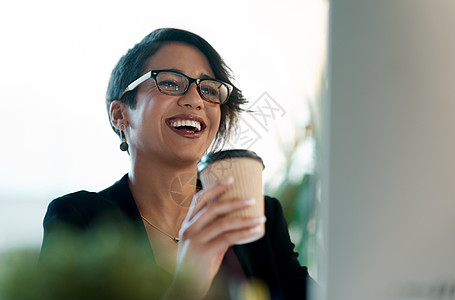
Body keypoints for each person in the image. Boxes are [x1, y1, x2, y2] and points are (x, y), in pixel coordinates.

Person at [40, 28, 312, 299]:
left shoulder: (259, 216)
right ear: (120, 114)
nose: (195, 100)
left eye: (208, 89)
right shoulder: (78, 220)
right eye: (170, 83)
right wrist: (187, 286)